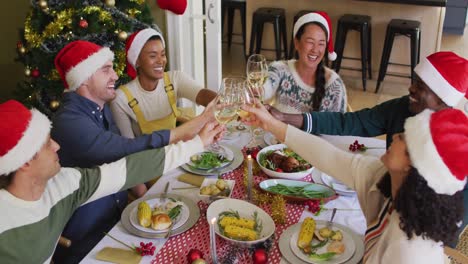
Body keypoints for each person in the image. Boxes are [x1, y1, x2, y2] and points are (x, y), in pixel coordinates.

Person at [50, 40, 218, 263]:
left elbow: (127, 159)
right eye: (106, 69)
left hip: (118, 217)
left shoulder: (99, 108)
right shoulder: (69, 121)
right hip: (85, 238)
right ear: (84, 78)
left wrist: (144, 197)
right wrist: (185, 133)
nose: (115, 76)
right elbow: (123, 150)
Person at [242, 101, 467, 263]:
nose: (395, 135)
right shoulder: (386, 178)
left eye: (403, 137)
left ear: (414, 166)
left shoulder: (409, 251)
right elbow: (329, 157)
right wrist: (271, 124)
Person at [0, 100, 223, 263]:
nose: (57, 146)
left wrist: (197, 144)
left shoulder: (63, 184)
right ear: (25, 162)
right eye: (47, 144)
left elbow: (126, 169)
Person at [268, 51, 468, 147]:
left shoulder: (457, 145)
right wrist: (285, 118)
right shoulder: (401, 108)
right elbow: (349, 122)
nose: (411, 88)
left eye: (421, 87)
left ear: (444, 101)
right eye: (414, 81)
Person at [110, 28, 218, 138]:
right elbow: (128, 148)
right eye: (153, 56)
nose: (161, 61)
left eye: (162, 54)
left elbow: (202, 95)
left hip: (177, 149)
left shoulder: (175, 79)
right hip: (146, 155)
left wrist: (223, 105)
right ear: (137, 61)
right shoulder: (120, 99)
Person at [262, 11, 347, 114]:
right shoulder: (279, 69)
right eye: (310, 42)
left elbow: (337, 127)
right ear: (296, 43)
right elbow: (264, 89)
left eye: (321, 44)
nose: (315, 50)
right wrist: (257, 90)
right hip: (275, 129)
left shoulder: (334, 86)